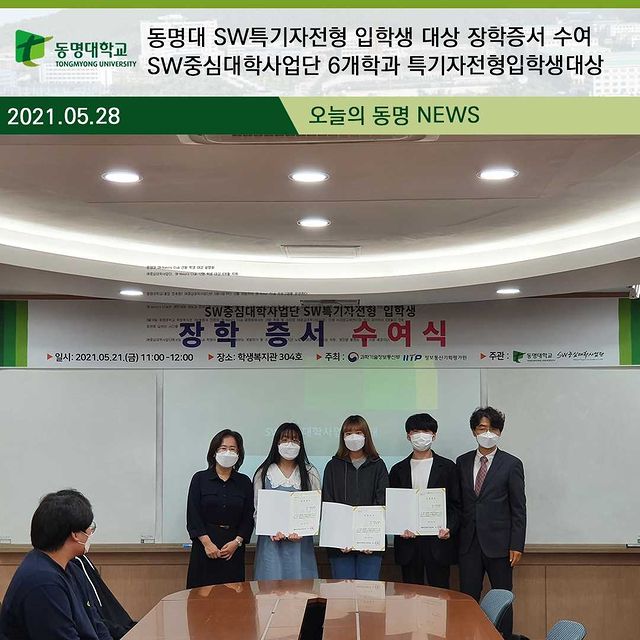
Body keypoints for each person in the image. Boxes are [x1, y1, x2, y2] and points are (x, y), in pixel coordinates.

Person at [0, 489, 112, 640]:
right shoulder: (43, 583)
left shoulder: (72, 568)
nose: (91, 532)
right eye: (88, 527)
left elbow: (96, 624)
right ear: (75, 535)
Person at [457, 407, 527, 640]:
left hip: (500, 545)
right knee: (467, 598)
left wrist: (516, 544)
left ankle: (503, 637)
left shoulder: (512, 464)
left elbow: (518, 507)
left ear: (500, 432)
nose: (488, 433)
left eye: (493, 429)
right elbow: (459, 503)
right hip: (468, 544)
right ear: (474, 431)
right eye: (482, 428)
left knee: (502, 598)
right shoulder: (462, 462)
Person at [389, 413, 461, 589]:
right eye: (415, 431)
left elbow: (456, 505)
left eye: (426, 431)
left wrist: (450, 528)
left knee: (440, 595)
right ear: (408, 435)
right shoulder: (398, 470)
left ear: (434, 435)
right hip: (408, 544)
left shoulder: (448, 467)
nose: (421, 436)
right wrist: (399, 527)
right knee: (411, 595)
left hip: (438, 543)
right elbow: (393, 506)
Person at [321, 415, 389, 580]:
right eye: (348, 433)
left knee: (368, 592)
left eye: (358, 433)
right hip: (340, 546)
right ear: (342, 437)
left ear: (366, 436)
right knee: (343, 592)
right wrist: (338, 537)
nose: (353, 437)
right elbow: (328, 501)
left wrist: (370, 538)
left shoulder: (378, 465)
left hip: (370, 545)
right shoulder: (333, 466)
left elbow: (382, 501)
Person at [186, 429, 254, 588]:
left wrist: (237, 542)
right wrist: (207, 543)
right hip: (204, 547)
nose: (228, 452)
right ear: (214, 451)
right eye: (223, 448)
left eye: (232, 449)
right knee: (200, 598)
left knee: (232, 598)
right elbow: (193, 514)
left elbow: (248, 516)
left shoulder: (244, 482)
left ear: (239, 454)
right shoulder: (200, 479)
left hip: (233, 548)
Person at [253, 422, 321, 580]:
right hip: (271, 545)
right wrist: (269, 530)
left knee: (301, 588)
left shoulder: (310, 473)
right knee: (270, 588)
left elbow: (316, 510)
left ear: (301, 444)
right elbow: (257, 510)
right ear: (276, 443)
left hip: (300, 545)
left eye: (295, 440)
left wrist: (304, 530)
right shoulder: (263, 473)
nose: (289, 444)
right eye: (284, 440)